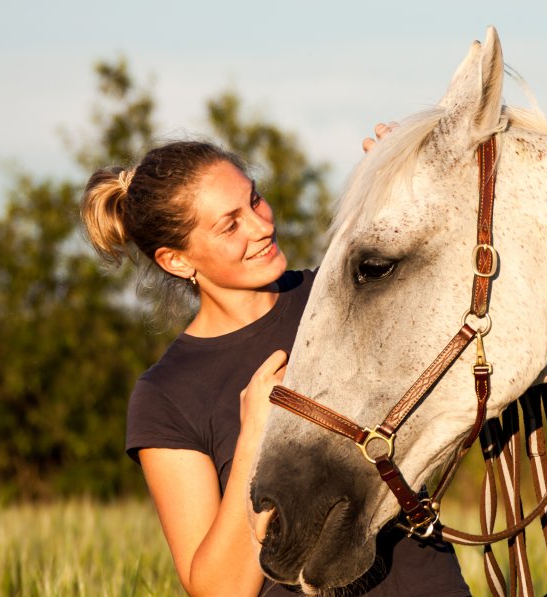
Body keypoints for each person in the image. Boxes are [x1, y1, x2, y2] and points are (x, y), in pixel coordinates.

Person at [80, 127, 471, 597]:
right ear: (177, 261)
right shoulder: (165, 395)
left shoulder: (347, 294)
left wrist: (420, 184)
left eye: (255, 200)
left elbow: (468, 301)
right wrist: (254, 436)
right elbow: (218, 590)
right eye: (229, 225)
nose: (262, 225)